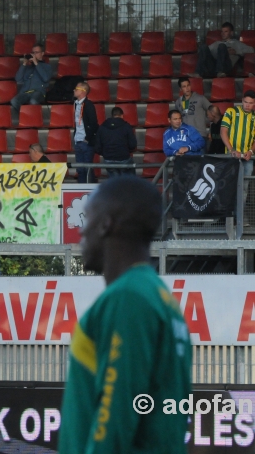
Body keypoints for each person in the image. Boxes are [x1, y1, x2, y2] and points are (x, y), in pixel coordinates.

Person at [59, 177, 191, 454]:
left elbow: (116, 415)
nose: (82, 232)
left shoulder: (128, 298)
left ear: (106, 224)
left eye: (87, 218)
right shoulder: (160, 297)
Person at [221, 90, 255, 225]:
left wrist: (251, 151)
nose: (247, 105)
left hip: (247, 158)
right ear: (242, 101)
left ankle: (239, 218)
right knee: (229, 186)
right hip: (231, 156)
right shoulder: (231, 112)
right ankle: (227, 219)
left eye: (251, 103)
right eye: (245, 102)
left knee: (244, 189)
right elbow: (223, 131)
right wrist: (231, 149)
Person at [94, 106, 136, 176]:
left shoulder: (102, 127)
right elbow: (133, 145)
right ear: (122, 115)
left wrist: (105, 153)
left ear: (112, 115)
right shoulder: (126, 126)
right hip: (123, 158)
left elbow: (97, 147)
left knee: (114, 183)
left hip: (108, 159)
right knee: (128, 182)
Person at [11, 44, 52, 112]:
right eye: (33, 53)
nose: (34, 54)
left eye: (36, 52)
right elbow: (18, 79)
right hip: (25, 93)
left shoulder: (47, 67)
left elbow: (46, 78)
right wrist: (24, 63)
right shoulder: (27, 68)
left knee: (33, 101)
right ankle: (25, 117)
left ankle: (31, 118)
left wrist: (36, 63)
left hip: (39, 92)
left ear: (42, 53)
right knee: (14, 101)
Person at [73, 82, 98, 183]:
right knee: (80, 169)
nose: (74, 90)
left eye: (76, 88)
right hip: (78, 141)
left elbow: (93, 124)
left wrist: (87, 139)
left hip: (85, 141)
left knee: (87, 168)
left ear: (83, 91)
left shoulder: (89, 105)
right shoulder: (75, 104)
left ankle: (90, 191)